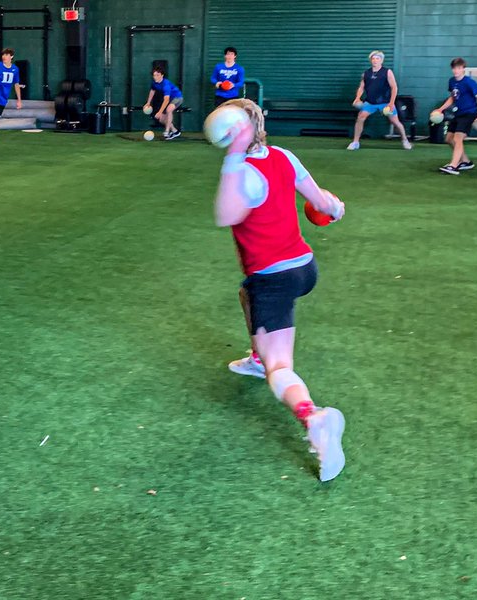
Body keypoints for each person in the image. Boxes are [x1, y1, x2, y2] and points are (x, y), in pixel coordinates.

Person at [215, 98, 346, 482]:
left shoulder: (243, 174)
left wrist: (233, 156)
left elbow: (226, 215)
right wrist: (334, 208)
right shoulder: (284, 156)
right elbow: (322, 203)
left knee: (281, 369)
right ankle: (257, 359)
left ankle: (313, 418)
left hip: (273, 278)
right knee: (247, 294)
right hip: (304, 268)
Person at [347, 50, 412, 151]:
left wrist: (391, 103)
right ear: (370, 60)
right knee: (360, 117)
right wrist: (357, 98)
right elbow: (361, 87)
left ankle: (405, 140)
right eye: (373, 58)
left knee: (395, 121)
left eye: (377, 58)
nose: (375, 60)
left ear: (381, 60)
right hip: (370, 102)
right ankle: (355, 142)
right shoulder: (366, 73)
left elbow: (394, 87)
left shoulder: (387, 72)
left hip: (385, 103)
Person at [434, 58, 477, 175]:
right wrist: (441, 109)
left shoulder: (469, 82)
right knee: (449, 139)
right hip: (458, 113)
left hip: (469, 113)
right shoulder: (452, 81)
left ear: (463, 69)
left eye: (458, 68)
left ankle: (453, 165)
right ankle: (466, 162)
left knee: (457, 139)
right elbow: (453, 97)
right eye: (454, 68)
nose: (456, 70)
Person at [144, 67, 184, 140]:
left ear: (162, 75)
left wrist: (160, 112)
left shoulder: (166, 85)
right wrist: (148, 102)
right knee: (161, 119)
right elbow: (152, 91)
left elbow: (166, 100)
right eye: (154, 75)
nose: (155, 77)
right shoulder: (154, 83)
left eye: (157, 75)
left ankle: (167, 132)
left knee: (169, 110)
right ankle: (175, 131)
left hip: (177, 98)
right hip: (170, 100)